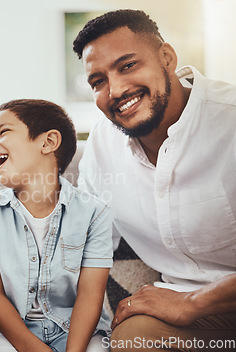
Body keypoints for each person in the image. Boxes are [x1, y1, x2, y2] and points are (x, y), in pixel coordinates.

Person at [73, 9, 236, 351]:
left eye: (128, 65)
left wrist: (194, 303)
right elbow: (80, 242)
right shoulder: (103, 144)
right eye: (98, 81)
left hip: (203, 304)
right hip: (200, 324)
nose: (115, 89)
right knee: (134, 338)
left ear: (167, 58)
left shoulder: (230, 120)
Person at [0, 99, 113, 352]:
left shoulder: (95, 212)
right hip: (9, 332)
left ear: (48, 142)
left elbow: (90, 296)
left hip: (75, 329)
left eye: (3, 131)